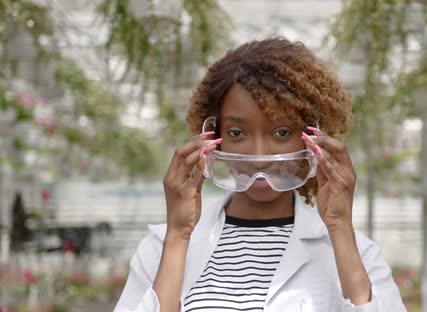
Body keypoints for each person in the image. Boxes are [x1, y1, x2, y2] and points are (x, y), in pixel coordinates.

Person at [114, 38, 406, 312]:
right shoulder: (162, 245)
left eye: (281, 132)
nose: (259, 156)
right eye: (237, 132)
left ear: (311, 140)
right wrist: (178, 235)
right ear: (213, 138)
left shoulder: (355, 252)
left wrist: (340, 227)